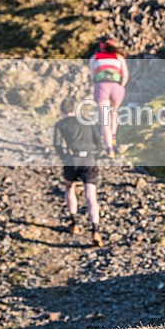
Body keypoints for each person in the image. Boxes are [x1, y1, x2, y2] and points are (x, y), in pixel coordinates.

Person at [54, 97, 104, 247]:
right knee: (91, 196)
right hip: (89, 160)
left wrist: (65, 158)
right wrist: (94, 156)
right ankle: (95, 230)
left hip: (72, 160)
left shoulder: (61, 124)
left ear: (62, 111)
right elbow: (99, 143)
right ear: (75, 109)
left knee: (70, 188)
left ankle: (74, 223)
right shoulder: (87, 121)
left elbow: (57, 144)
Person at [89, 37, 129, 158]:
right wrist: (121, 86)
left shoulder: (94, 58)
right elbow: (125, 75)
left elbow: (92, 76)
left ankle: (109, 149)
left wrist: (96, 87)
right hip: (116, 87)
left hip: (101, 87)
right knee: (114, 113)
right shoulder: (119, 57)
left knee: (105, 119)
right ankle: (113, 136)